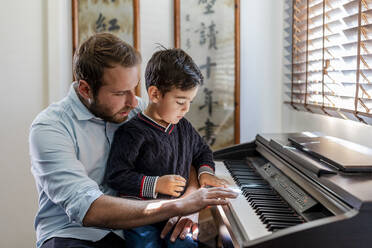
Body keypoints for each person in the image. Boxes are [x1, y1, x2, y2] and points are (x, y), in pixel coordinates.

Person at [29, 32, 238, 248]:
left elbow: (188, 151)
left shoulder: (140, 110)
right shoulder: (50, 128)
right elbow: (89, 209)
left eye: (134, 88)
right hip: (74, 235)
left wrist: (190, 202)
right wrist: (178, 206)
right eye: (120, 93)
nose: (132, 100)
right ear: (85, 89)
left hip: (147, 223)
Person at [105, 48, 227, 248]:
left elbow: (202, 151)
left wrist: (205, 173)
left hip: (177, 211)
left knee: (186, 244)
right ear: (155, 94)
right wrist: (156, 184)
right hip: (141, 216)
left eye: (190, 101)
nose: (186, 109)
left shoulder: (184, 127)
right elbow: (116, 175)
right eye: (180, 101)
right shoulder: (131, 132)